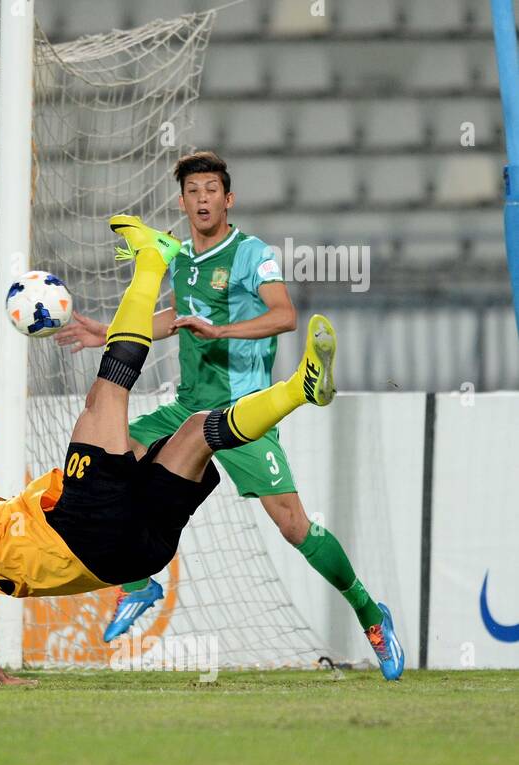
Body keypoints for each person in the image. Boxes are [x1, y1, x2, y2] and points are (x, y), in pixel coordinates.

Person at [0, 214, 401, 687]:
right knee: (103, 397)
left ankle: (298, 389)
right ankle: (152, 261)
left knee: (199, 431)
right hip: (83, 529)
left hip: (136, 551)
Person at [56, 151, 402, 680]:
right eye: (193, 190)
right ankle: (138, 581)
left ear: (228, 199)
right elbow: (177, 317)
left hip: (241, 411)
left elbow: (285, 315)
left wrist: (223, 332)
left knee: (294, 527)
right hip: (188, 408)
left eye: (211, 189)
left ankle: (371, 615)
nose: (202, 198)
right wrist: (108, 331)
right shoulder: (181, 260)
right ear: (182, 201)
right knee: (109, 454)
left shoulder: (251, 253)